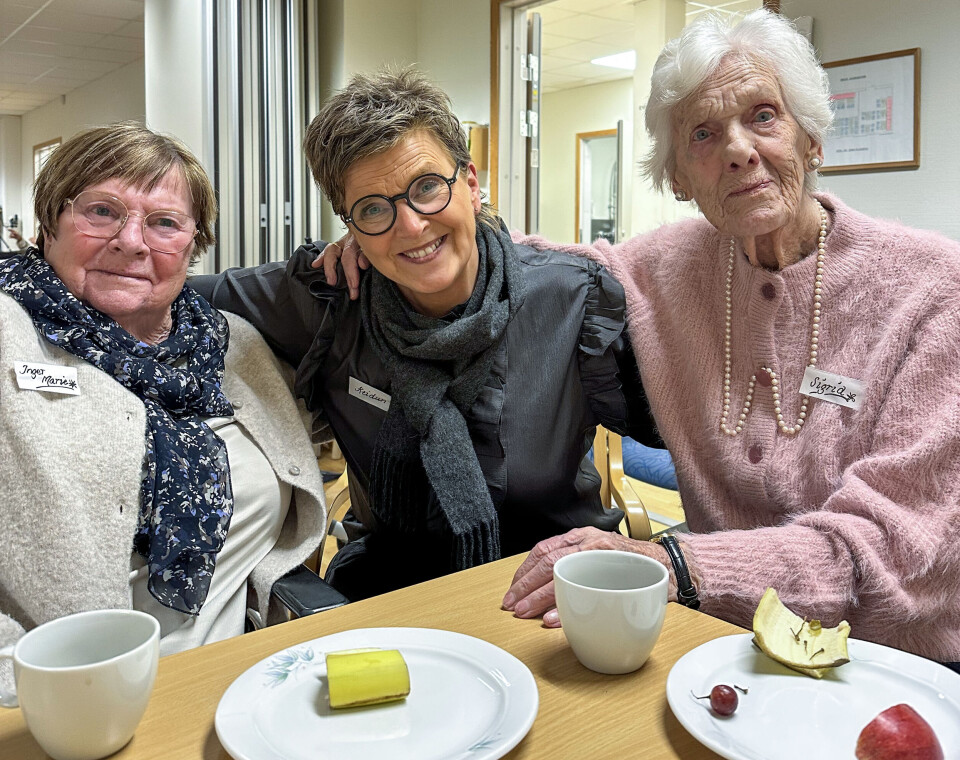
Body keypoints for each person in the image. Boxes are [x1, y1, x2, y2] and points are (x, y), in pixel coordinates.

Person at [329, 11, 960, 665]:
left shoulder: (930, 290)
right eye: (704, 134)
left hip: (894, 663)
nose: (739, 148)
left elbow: (896, 556)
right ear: (679, 178)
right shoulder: (664, 269)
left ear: (813, 140)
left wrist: (678, 565)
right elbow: (527, 264)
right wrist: (398, 231)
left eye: (764, 115)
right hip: (725, 649)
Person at [193, 69, 650, 602]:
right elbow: (159, 292)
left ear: (472, 184)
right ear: (350, 226)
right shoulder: (332, 298)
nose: (410, 226)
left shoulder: (571, 299)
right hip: (395, 592)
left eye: (427, 187)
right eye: (373, 208)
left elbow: (685, 420)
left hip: (560, 589)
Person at [0, 123, 327, 685]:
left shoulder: (233, 343)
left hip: (245, 684)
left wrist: (503, 250)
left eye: (164, 223)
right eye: (101, 211)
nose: (131, 241)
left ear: (193, 244)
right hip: (63, 706)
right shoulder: (11, 334)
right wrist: (27, 693)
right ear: (48, 222)